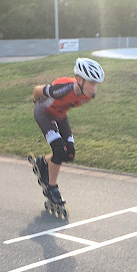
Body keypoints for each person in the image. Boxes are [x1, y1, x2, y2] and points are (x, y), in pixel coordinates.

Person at [31, 57, 105, 206]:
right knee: (59, 150)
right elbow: (37, 90)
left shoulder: (89, 95)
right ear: (79, 79)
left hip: (60, 114)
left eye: (96, 83)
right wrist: (36, 103)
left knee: (69, 153)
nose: (94, 88)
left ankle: (42, 162)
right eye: (91, 83)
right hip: (44, 112)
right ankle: (52, 189)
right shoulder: (62, 88)